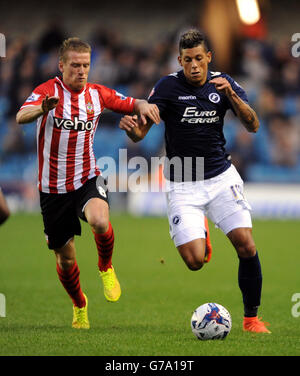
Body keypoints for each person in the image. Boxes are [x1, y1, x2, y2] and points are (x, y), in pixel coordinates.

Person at [119, 29, 270, 333]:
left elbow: (252, 125)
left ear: (208, 58)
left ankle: (252, 319)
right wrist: (132, 129)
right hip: (183, 184)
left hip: (220, 177)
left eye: (199, 58)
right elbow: (141, 133)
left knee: (246, 245)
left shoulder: (222, 84)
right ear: (180, 60)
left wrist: (230, 95)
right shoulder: (167, 87)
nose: (194, 65)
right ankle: (200, 230)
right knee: (194, 261)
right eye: (188, 60)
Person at [16, 37, 160, 329]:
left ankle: (105, 267)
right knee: (66, 259)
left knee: (99, 220)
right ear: (62, 65)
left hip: (86, 177)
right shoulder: (47, 91)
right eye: (75, 65)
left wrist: (146, 107)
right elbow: (21, 115)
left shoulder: (97, 94)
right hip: (52, 188)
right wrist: (43, 108)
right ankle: (79, 304)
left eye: (85, 65)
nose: (81, 71)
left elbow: (132, 102)